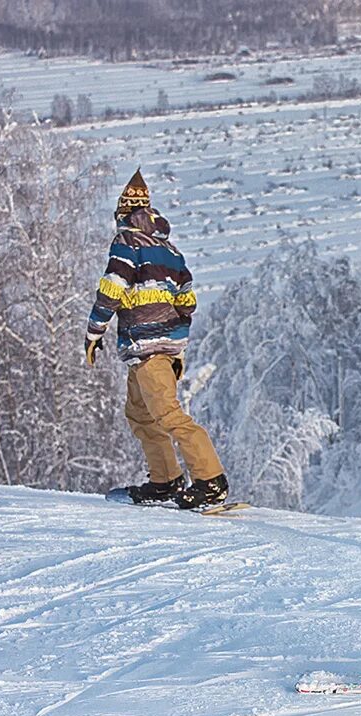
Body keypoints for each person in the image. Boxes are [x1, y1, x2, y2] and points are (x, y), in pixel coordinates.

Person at [85, 169, 229, 510]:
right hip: (154, 349)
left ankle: (211, 481)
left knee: (167, 414)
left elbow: (111, 289)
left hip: (148, 347)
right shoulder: (171, 251)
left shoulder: (126, 243)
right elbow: (187, 301)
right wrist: (172, 335)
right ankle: (165, 480)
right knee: (139, 414)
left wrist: (95, 331)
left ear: (123, 214)